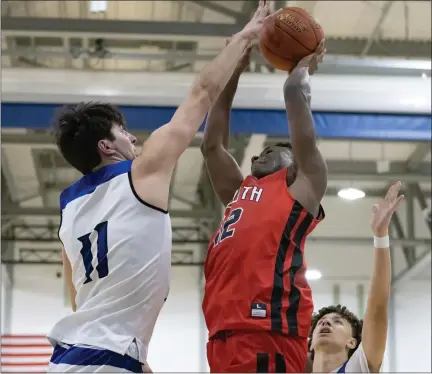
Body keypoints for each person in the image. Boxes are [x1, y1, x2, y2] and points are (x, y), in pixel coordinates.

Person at [46, 2, 279, 372]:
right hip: (104, 357)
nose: (133, 138)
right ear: (106, 147)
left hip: (77, 355)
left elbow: (79, 300)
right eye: (122, 132)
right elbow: (201, 92)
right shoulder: (140, 173)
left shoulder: (68, 208)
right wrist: (246, 35)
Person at [201, 38, 327, 372]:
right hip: (223, 333)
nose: (260, 153)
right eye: (259, 152)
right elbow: (211, 146)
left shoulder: (303, 187)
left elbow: (297, 103)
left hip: (269, 330)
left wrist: (299, 71)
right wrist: (233, 73)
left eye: (276, 149)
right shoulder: (240, 190)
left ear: (295, 163)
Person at [308, 182, 404, 373]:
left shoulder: (357, 368)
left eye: (337, 321)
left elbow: (377, 309)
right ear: (309, 343)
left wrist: (381, 236)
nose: (326, 323)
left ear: (352, 342)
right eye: (321, 322)